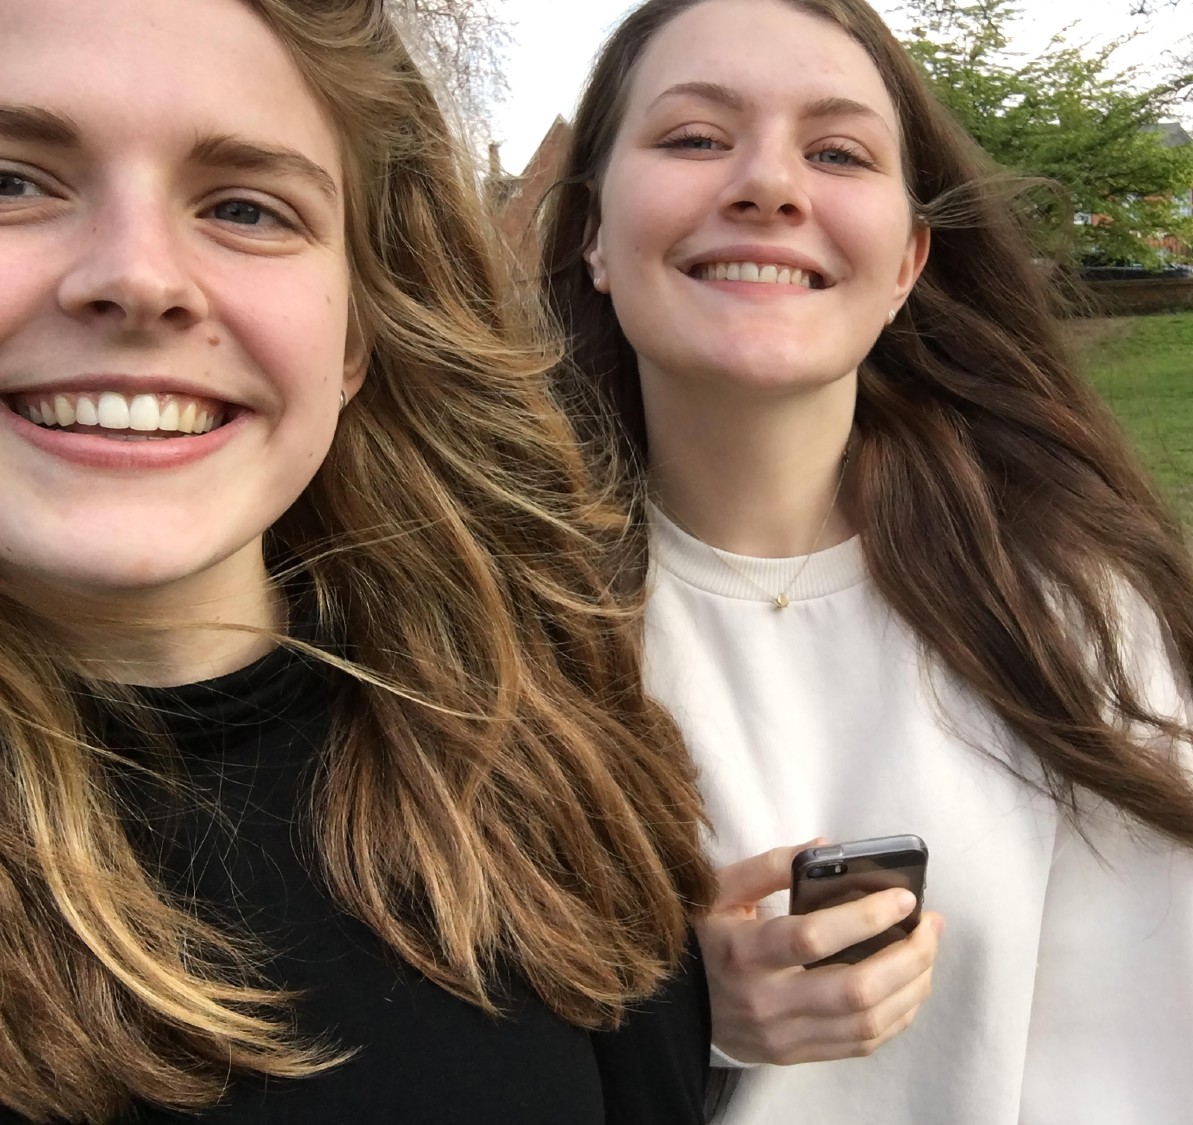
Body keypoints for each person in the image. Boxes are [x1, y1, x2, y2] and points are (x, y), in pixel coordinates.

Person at [540, 1, 1193, 1122]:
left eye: (838, 151)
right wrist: (674, 1021)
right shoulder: (478, 628)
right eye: (696, 138)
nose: (770, 185)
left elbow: (1169, 1074)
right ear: (595, 234)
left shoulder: (1064, 618)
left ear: (907, 261)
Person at [0, 0, 716, 1121]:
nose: (138, 278)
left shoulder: (544, 771)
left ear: (353, 337)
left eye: (246, 207)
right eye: (12, 184)